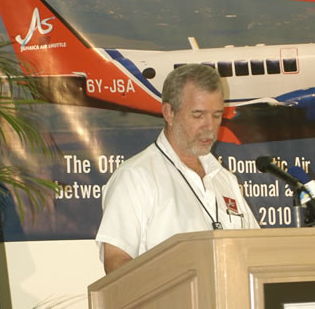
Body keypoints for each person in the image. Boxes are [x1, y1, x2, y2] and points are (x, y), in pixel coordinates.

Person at [96, 63, 259, 273]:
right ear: (169, 113)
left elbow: (256, 252)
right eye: (198, 115)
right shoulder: (136, 177)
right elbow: (117, 263)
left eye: (217, 115)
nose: (209, 127)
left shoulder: (225, 180)